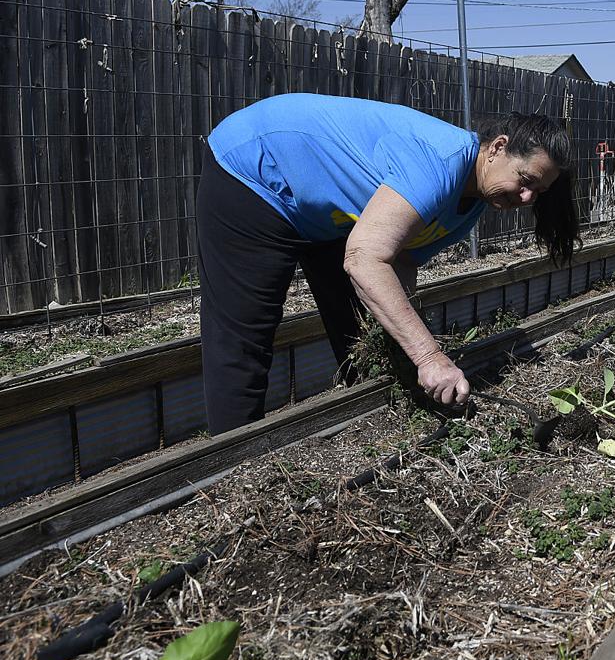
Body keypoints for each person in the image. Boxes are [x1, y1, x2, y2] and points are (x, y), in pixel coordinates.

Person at [197, 93, 577, 434]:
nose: (527, 198)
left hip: (326, 208)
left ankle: (374, 417)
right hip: (256, 169)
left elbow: (400, 262)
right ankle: (231, 464)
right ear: (497, 148)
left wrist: (408, 350)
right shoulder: (440, 165)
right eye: (525, 181)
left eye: (538, 192)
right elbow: (364, 258)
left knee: (361, 325)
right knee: (247, 332)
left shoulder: (472, 205)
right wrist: (428, 356)